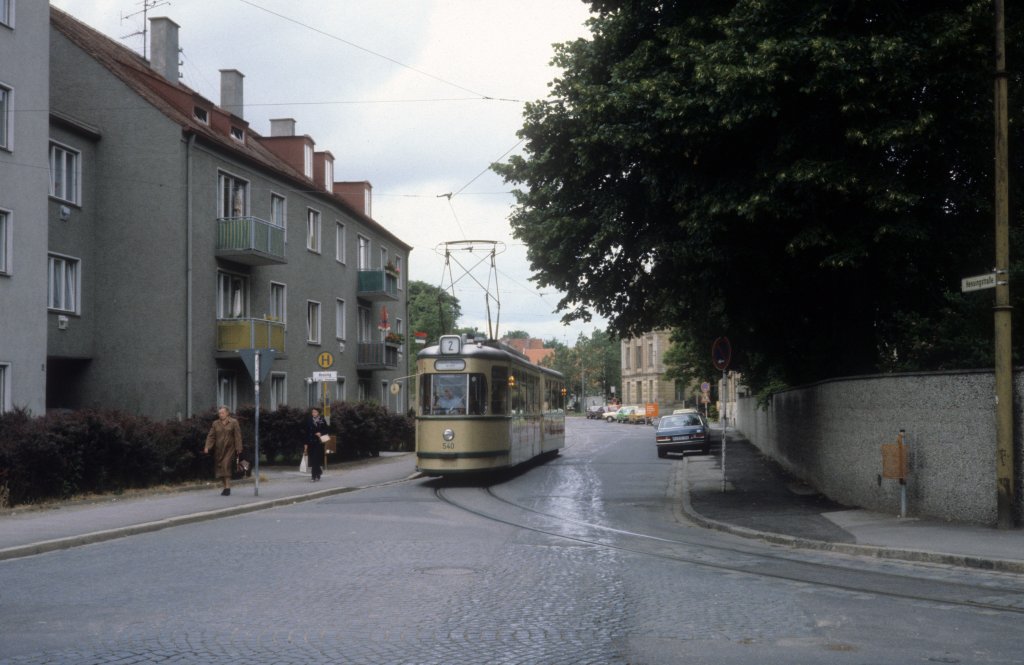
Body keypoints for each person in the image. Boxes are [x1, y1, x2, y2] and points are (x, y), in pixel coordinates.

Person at [203, 405, 243, 496]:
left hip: (230, 449)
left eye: (222, 413)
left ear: (227, 413)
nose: (221, 415)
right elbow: (211, 436)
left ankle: (227, 487)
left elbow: (237, 436)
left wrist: (239, 448)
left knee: (226, 465)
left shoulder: (234, 422)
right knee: (220, 468)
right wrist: (207, 446)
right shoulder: (215, 423)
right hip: (219, 450)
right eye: (219, 413)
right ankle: (225, 487)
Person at [304, 407, 329, 482]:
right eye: (312, 412)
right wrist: (305, 443)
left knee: (316, 459)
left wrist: (320, 433)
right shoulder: (309, 420)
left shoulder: (322, 420)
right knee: (312, 459)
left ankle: (313, 476)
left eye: (315, 412)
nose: (313, 413)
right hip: (310, 442)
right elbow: (306, 432)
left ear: (318, 413)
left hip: (318, 442)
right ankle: (318, 472)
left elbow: (326, 430)